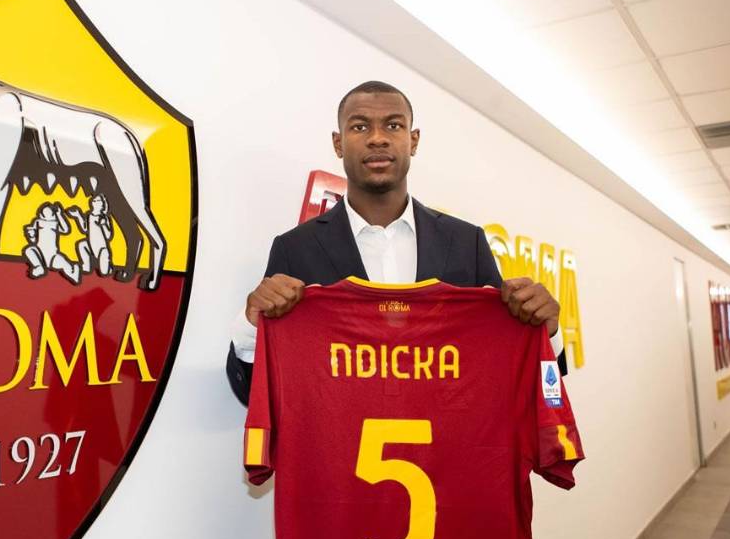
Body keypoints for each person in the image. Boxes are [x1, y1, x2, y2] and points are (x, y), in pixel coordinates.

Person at [226, 80, 565, 405]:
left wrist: (545, 333)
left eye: (393, 125)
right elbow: (256, 393)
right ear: (338, 143)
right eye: (360, 127)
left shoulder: (466, 243)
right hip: (341, 445)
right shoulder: (296, 249)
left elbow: (505, 370)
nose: (377, 138)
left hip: (447, 444)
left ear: (413, 140)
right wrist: (252, 326)